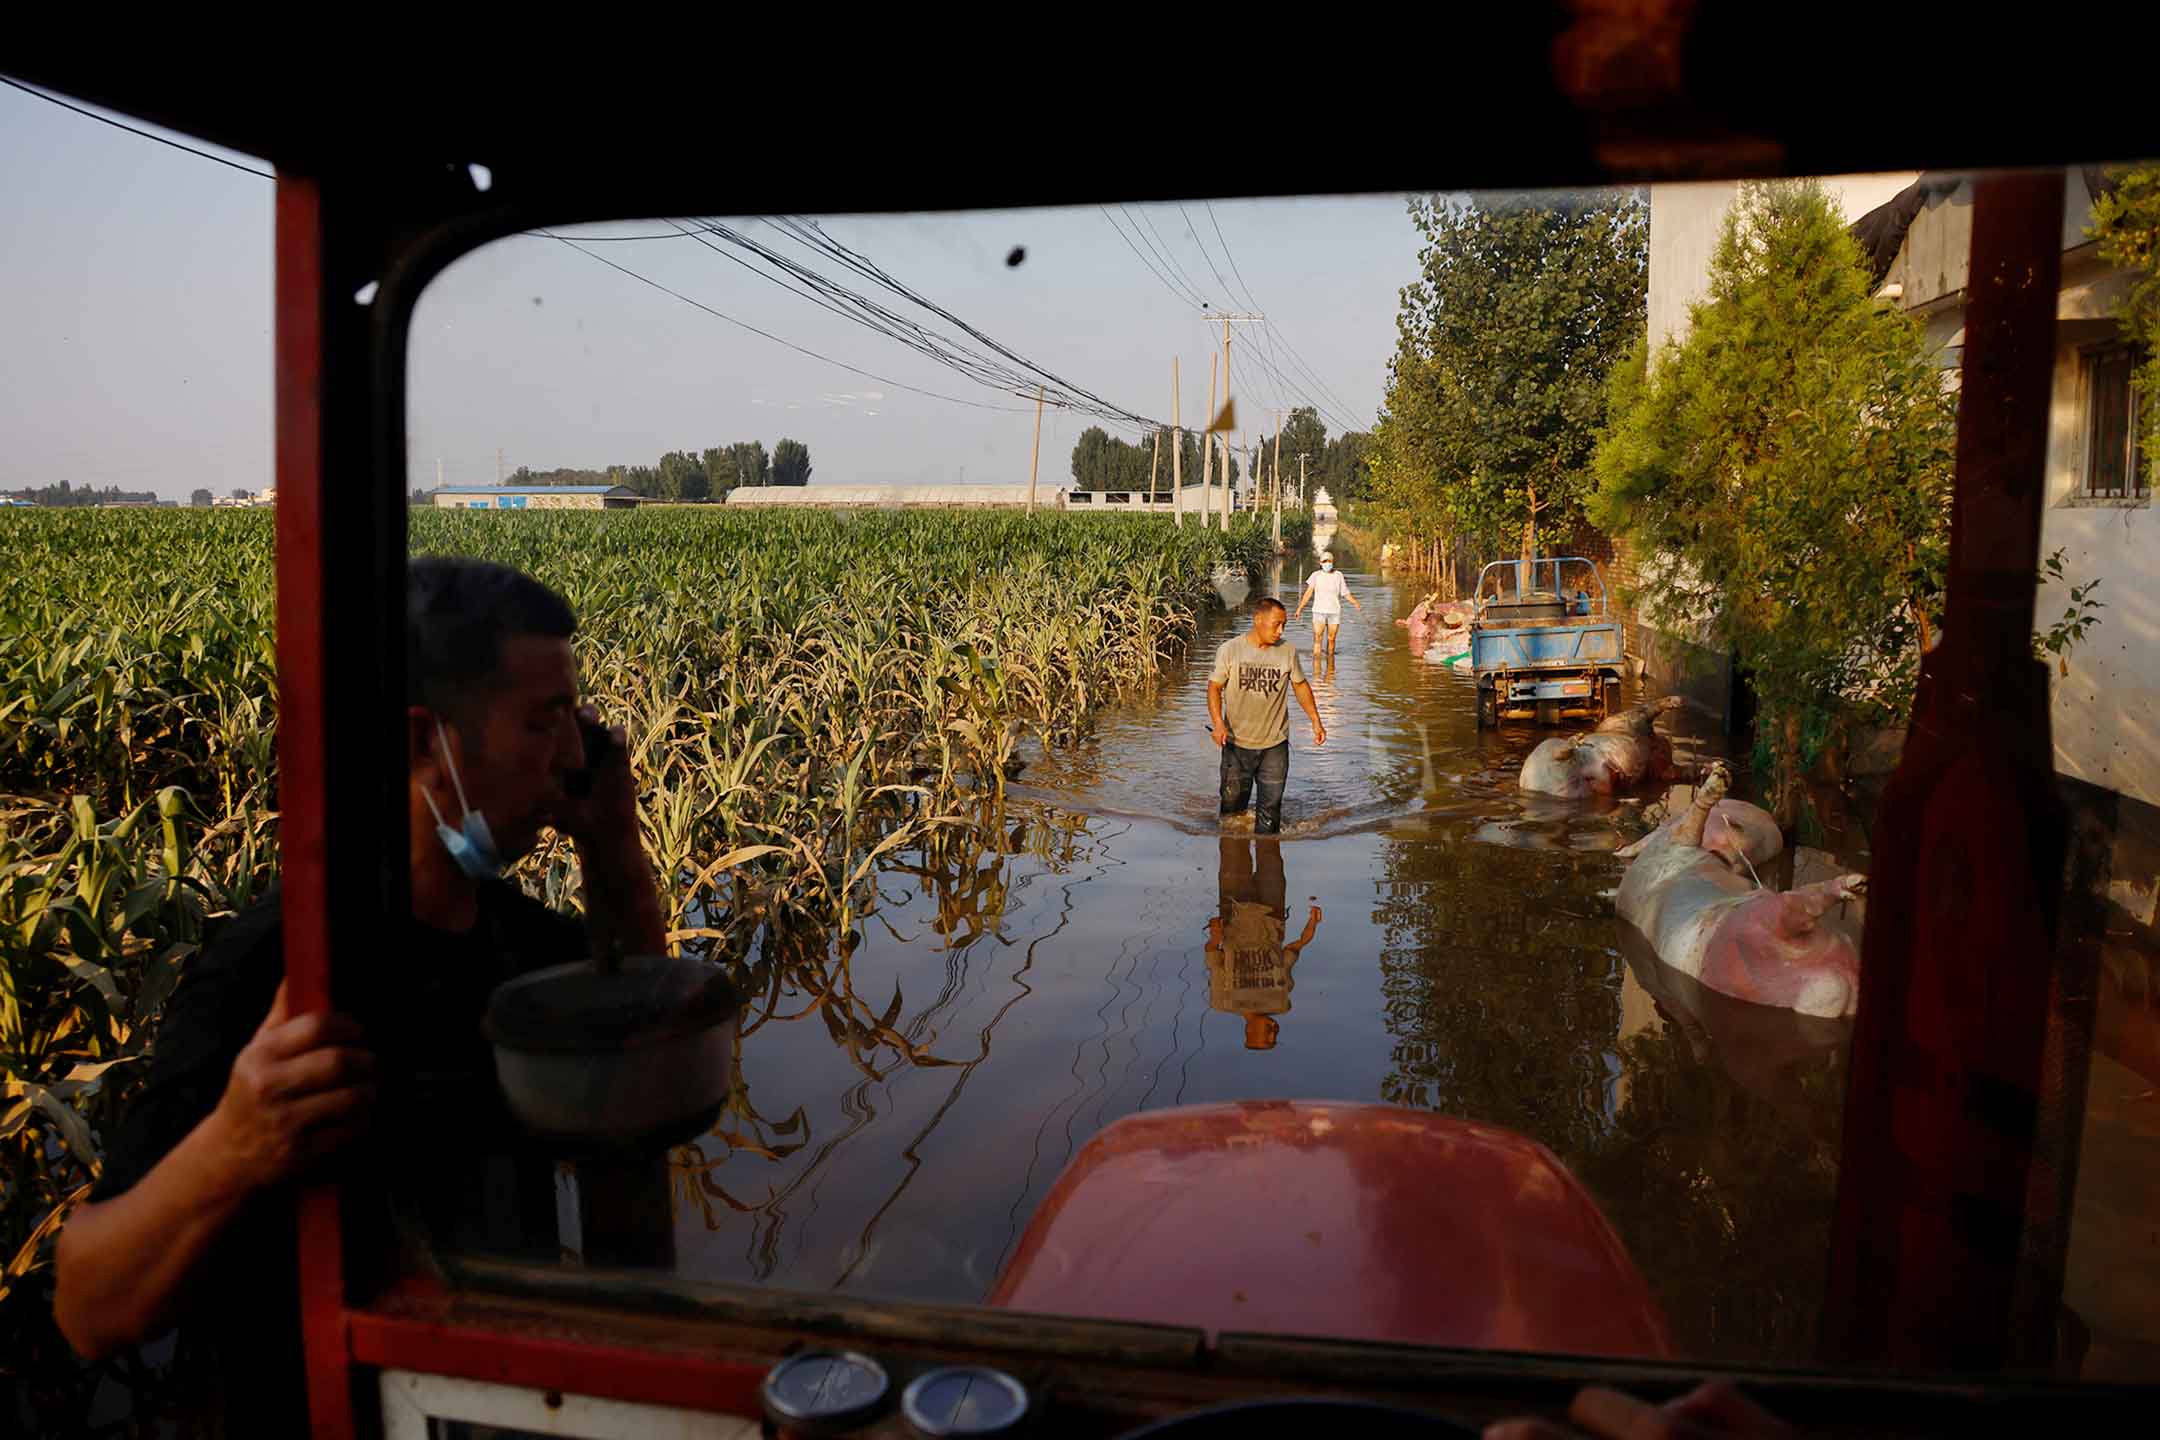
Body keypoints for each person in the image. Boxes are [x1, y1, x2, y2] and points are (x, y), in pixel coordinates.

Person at [52, 557, 666, 1432]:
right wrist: (235, 1144)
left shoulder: (516, 940)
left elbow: (646, 1035)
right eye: (543, 724)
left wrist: (612, 841)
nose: (573, 757)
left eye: (577, 723)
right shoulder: (278, 971)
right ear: (424, 742)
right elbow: (87, 1307)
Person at [1208, 596, 1326, 835]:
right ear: (1257, 620)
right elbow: (1214, 688)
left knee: (1270, 814)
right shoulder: (1230, 650)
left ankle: (1268, 857)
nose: (1280, 630)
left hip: (1275, 745)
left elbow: (1300, 686)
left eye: (1284, 625)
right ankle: (1233, 859)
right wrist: (1218, 723)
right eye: (1276, 624)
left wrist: (1315, 720)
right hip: (1237, 744)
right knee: (1231, 812)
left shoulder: (1287, 651)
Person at [1204, 837, 1322, 1050]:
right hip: (1273, 910)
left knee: (1232, 845)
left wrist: (1215, 934)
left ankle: (1236, 815)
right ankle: (1261, 816)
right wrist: (1311, 927)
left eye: (1267, 1035)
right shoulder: (1282, 1003)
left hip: (1234, 910)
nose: (1274, 1030)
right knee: (1270, 847)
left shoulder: (1223, 1002)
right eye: (1274, 1035)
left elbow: (1213, 955)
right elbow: (1291, 951)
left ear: (1249, 1032)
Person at [1291, 549, 1362, 657]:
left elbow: (1345, 592)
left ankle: (1330, 667)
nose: (1327, 563)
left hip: (1334, 612)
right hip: (1319, 611)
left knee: (1332, 638)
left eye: (1329, 561)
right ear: (1320, 563)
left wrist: (1355, 602)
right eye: (1324, 561)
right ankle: (1317, 667)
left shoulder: (1338, 575)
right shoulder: (1315, 575)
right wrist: (1299, 609)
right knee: (1318, 638)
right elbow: (1308, 594)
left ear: (1333, 562)